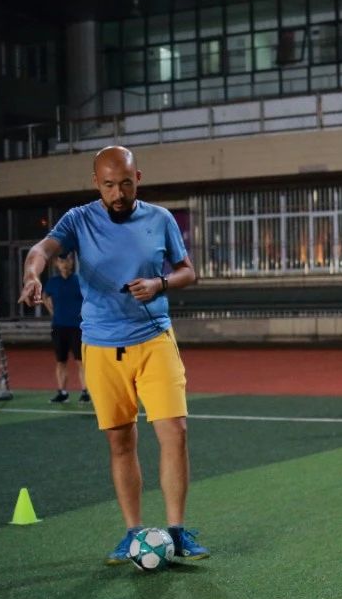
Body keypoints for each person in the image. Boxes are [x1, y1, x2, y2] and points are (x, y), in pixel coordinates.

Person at [18, 145, 210, 565]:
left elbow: (188, 270)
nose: (118, 192)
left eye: (125, 183)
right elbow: (42, 250)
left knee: (174, 431)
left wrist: (160, 283)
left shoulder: (159, 219)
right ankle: (132, 532)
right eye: (109, 185)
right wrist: (33, 276)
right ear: (96, 184)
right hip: (102, 347)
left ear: (137, 177)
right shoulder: (79, 219)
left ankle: (177, 532)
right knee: (121, 441)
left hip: (154, 338)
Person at [42, 252, 90, 404]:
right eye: (61, 261)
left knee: (80, 361)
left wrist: (84, 313)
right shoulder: (53, 282)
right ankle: (62, 393)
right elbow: (45, 296)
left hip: (77, 327)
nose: (65, 264)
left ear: (72, 262)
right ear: (57, 263)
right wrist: (52, 311)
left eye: (68, 260)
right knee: (60, 361)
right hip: (59, 327)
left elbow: (89, 298)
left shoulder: (79, 280)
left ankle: (85, 392)